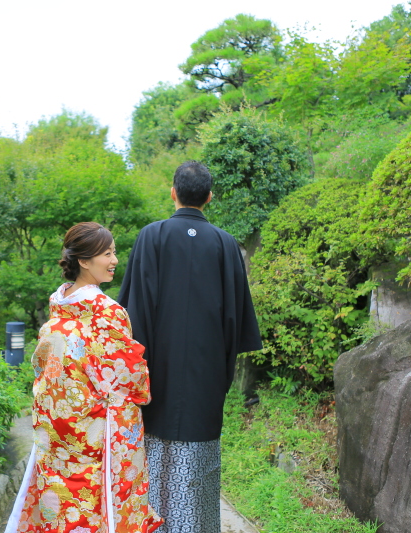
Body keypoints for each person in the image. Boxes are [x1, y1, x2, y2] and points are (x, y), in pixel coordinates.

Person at [117, 161, 262, 533]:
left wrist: (137, 368)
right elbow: (236, 319)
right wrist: (219, 366)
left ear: (173, 192)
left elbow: (133, 314)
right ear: (209, 197)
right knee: (197, 463)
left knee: (152, 456)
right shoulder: (226, 244)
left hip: (155, 375)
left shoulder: (152, 236)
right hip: (205, 374)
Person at [6, 222, 163, 533]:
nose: (115, 260)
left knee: (61, 500)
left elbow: (46, 368)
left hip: (58, 427)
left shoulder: (58, 308)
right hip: (99, 428)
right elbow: (130, 374)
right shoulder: (106, 311)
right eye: (107, 253)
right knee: (99, 500)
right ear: (83, 260)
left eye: (114, 252)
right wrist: (140, 393)